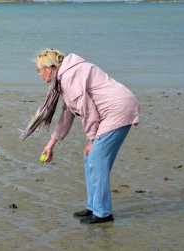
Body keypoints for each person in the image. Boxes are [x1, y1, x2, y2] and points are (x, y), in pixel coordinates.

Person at [20, 49, 140, 224]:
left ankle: (103, 213)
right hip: (112, 111)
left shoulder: (69, 78)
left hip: (118, 109)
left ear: (49, 68)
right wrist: (51, 143)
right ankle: (94, 206)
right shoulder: (65, 78)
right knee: (90, 157)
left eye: (39, 69)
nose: (38, 73)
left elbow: (88, 111)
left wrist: (92, 140)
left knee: (97, 158)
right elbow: (67, 112)